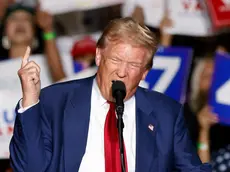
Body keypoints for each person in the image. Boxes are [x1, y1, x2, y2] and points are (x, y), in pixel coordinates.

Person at [10, 17, 211, 171]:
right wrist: (30, 100)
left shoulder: (166, 114)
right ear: (99, 56)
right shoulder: (55, 101)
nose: (122, 72)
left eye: (133, 65)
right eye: (116, 60)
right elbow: (29, 168)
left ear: (145, 73)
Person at [0, 3, 65, 82]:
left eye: (26, 19)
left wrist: (48, 30)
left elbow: (62, 83)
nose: (20, 22)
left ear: (34, 31)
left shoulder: (49, 63)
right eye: (14, 18)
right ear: (4, 32)